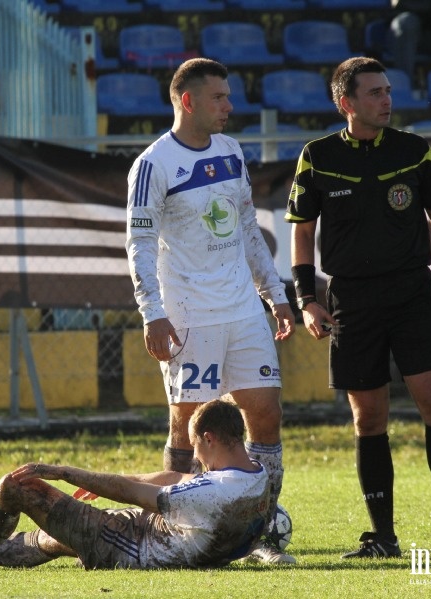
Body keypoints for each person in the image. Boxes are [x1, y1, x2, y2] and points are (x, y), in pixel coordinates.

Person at [285, 56, 431, 559]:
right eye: (374, 92)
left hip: (410, 294)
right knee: (368, 418)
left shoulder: (415, 152)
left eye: (388, 91)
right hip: (350, 299)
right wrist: (306, 300)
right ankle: (383, 538)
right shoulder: (316, 156)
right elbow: (303, 232)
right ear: (345, 102)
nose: (386, 100)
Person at [124, 57, 295, 565]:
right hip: (188, 316)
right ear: (187, 100)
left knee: (265, 414)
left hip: (243, 309)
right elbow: (139, 243)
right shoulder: (153, 164)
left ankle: (258, 531)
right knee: (188, 427)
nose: (229, 106)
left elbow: (247, 230)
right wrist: (152, 312)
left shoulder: (231, 151)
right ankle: (175, 526)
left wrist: (275, 294)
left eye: (229, 95)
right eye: (219, 97)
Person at [0, 399, 273, 570]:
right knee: (55, 538)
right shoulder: (256, 474)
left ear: (209, 438)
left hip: (129, 548)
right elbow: (177, 478)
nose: (197, 458)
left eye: (196, 447)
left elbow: (136, 494)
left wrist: (65, 472)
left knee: (17, 487)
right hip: (151, 533)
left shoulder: (213, 493)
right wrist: (112, 481)